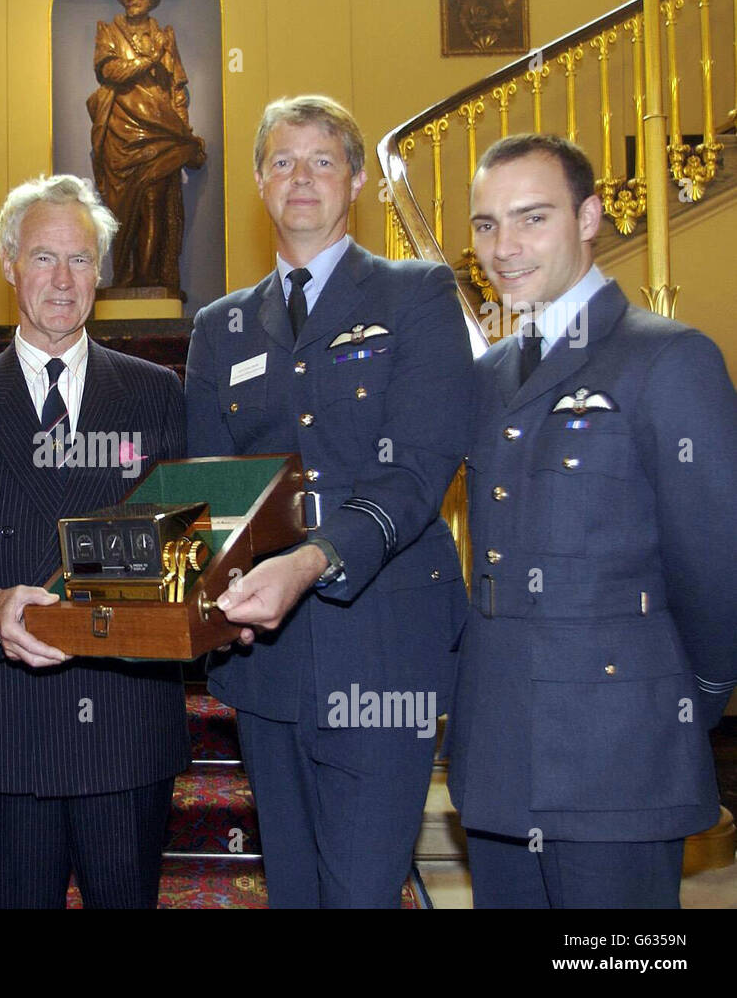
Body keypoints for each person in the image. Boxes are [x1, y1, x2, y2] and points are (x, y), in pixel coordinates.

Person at [185, 95, 473, 907]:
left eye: (321, 160)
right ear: (258, 184)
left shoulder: (417, 294)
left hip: (384, 646)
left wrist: (314, 557)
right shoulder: (221, 325)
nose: (300, 176)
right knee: (298, 891)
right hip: (265, 661)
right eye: (282, 161)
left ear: (354, 183)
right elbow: (207, 487)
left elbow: (418, 470)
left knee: (362, 890)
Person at [447, 133, 737, 908]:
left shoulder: (668, 358)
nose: (503, 248)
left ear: (589, 218)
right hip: (502, 746)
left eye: (531, 218)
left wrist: (686, 698)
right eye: (484, 225)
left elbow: (715, 565)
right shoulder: (487, 376)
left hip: (618, 749)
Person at [0, 174, 188, 908]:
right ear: (8, 263)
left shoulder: (156, 392)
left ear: (102, 271)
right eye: (43, 258)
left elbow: (185, 543)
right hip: (9, 719)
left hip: (124, 719)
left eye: (81, 259)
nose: (63, 280)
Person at [88, 0, 205, 289]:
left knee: (154, 204)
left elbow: (176, 89)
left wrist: (182, 131)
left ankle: (147, 277)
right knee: (122, 210)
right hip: (121, 133)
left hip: (159, 130)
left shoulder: (164, 35)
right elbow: (111, 72)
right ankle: (125, 276)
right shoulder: (108, 31)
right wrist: (150, 60)